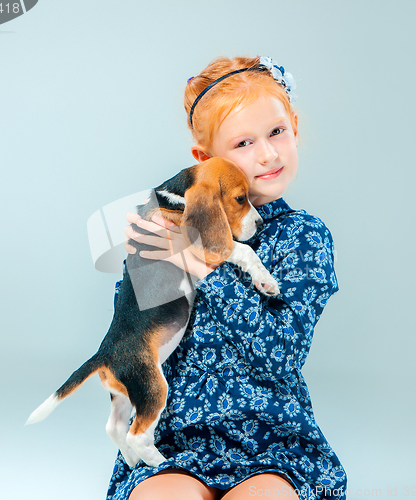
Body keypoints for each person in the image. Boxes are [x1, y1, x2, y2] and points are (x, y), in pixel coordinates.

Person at [106, 56, 347, 500]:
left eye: (277, 131)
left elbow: (280, 356)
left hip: (271, 443)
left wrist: (202, 262)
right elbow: (136, 334)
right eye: (243, 142)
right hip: (179, 440)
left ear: (294, 125)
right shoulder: (166, 223)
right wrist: (141, 257)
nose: (268, 153)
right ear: (205, 159)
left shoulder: (302, 236)